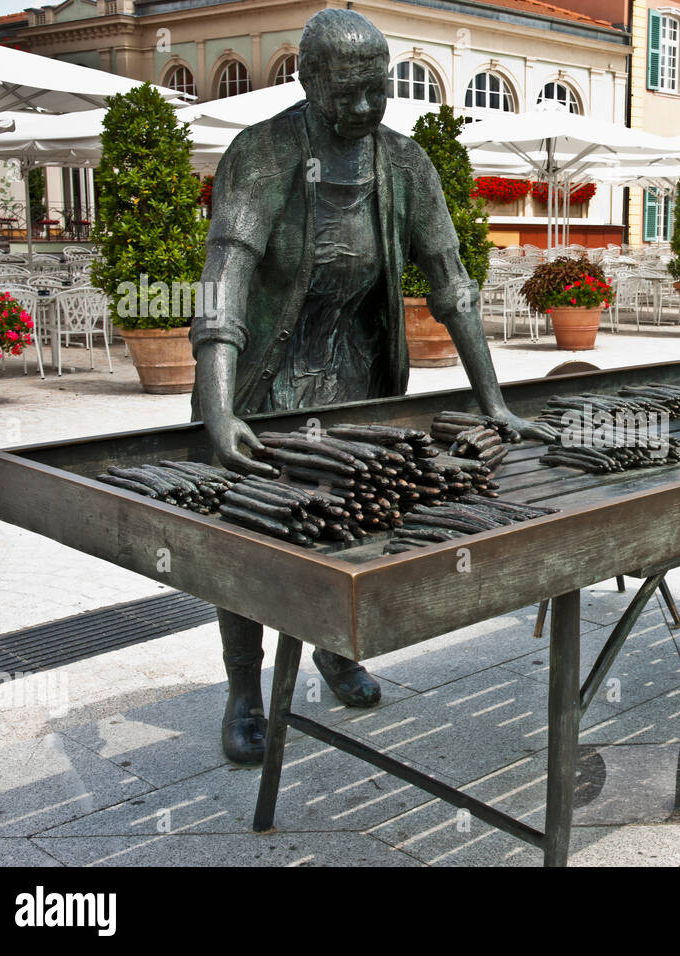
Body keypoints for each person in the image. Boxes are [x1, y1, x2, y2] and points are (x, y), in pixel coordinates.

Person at [191, 9, 555, 765]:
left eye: (375, 92)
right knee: (250, 543)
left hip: (360, 379)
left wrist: (492, 400)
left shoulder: (407, 162)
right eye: (345, 93)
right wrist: (217, 404)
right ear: (309, 80)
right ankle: (242, 689)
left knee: (350, 519)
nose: (361, 109)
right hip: (268, 378)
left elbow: (453, 285)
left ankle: (333, 648)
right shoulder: (262, 152)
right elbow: (224, 272)